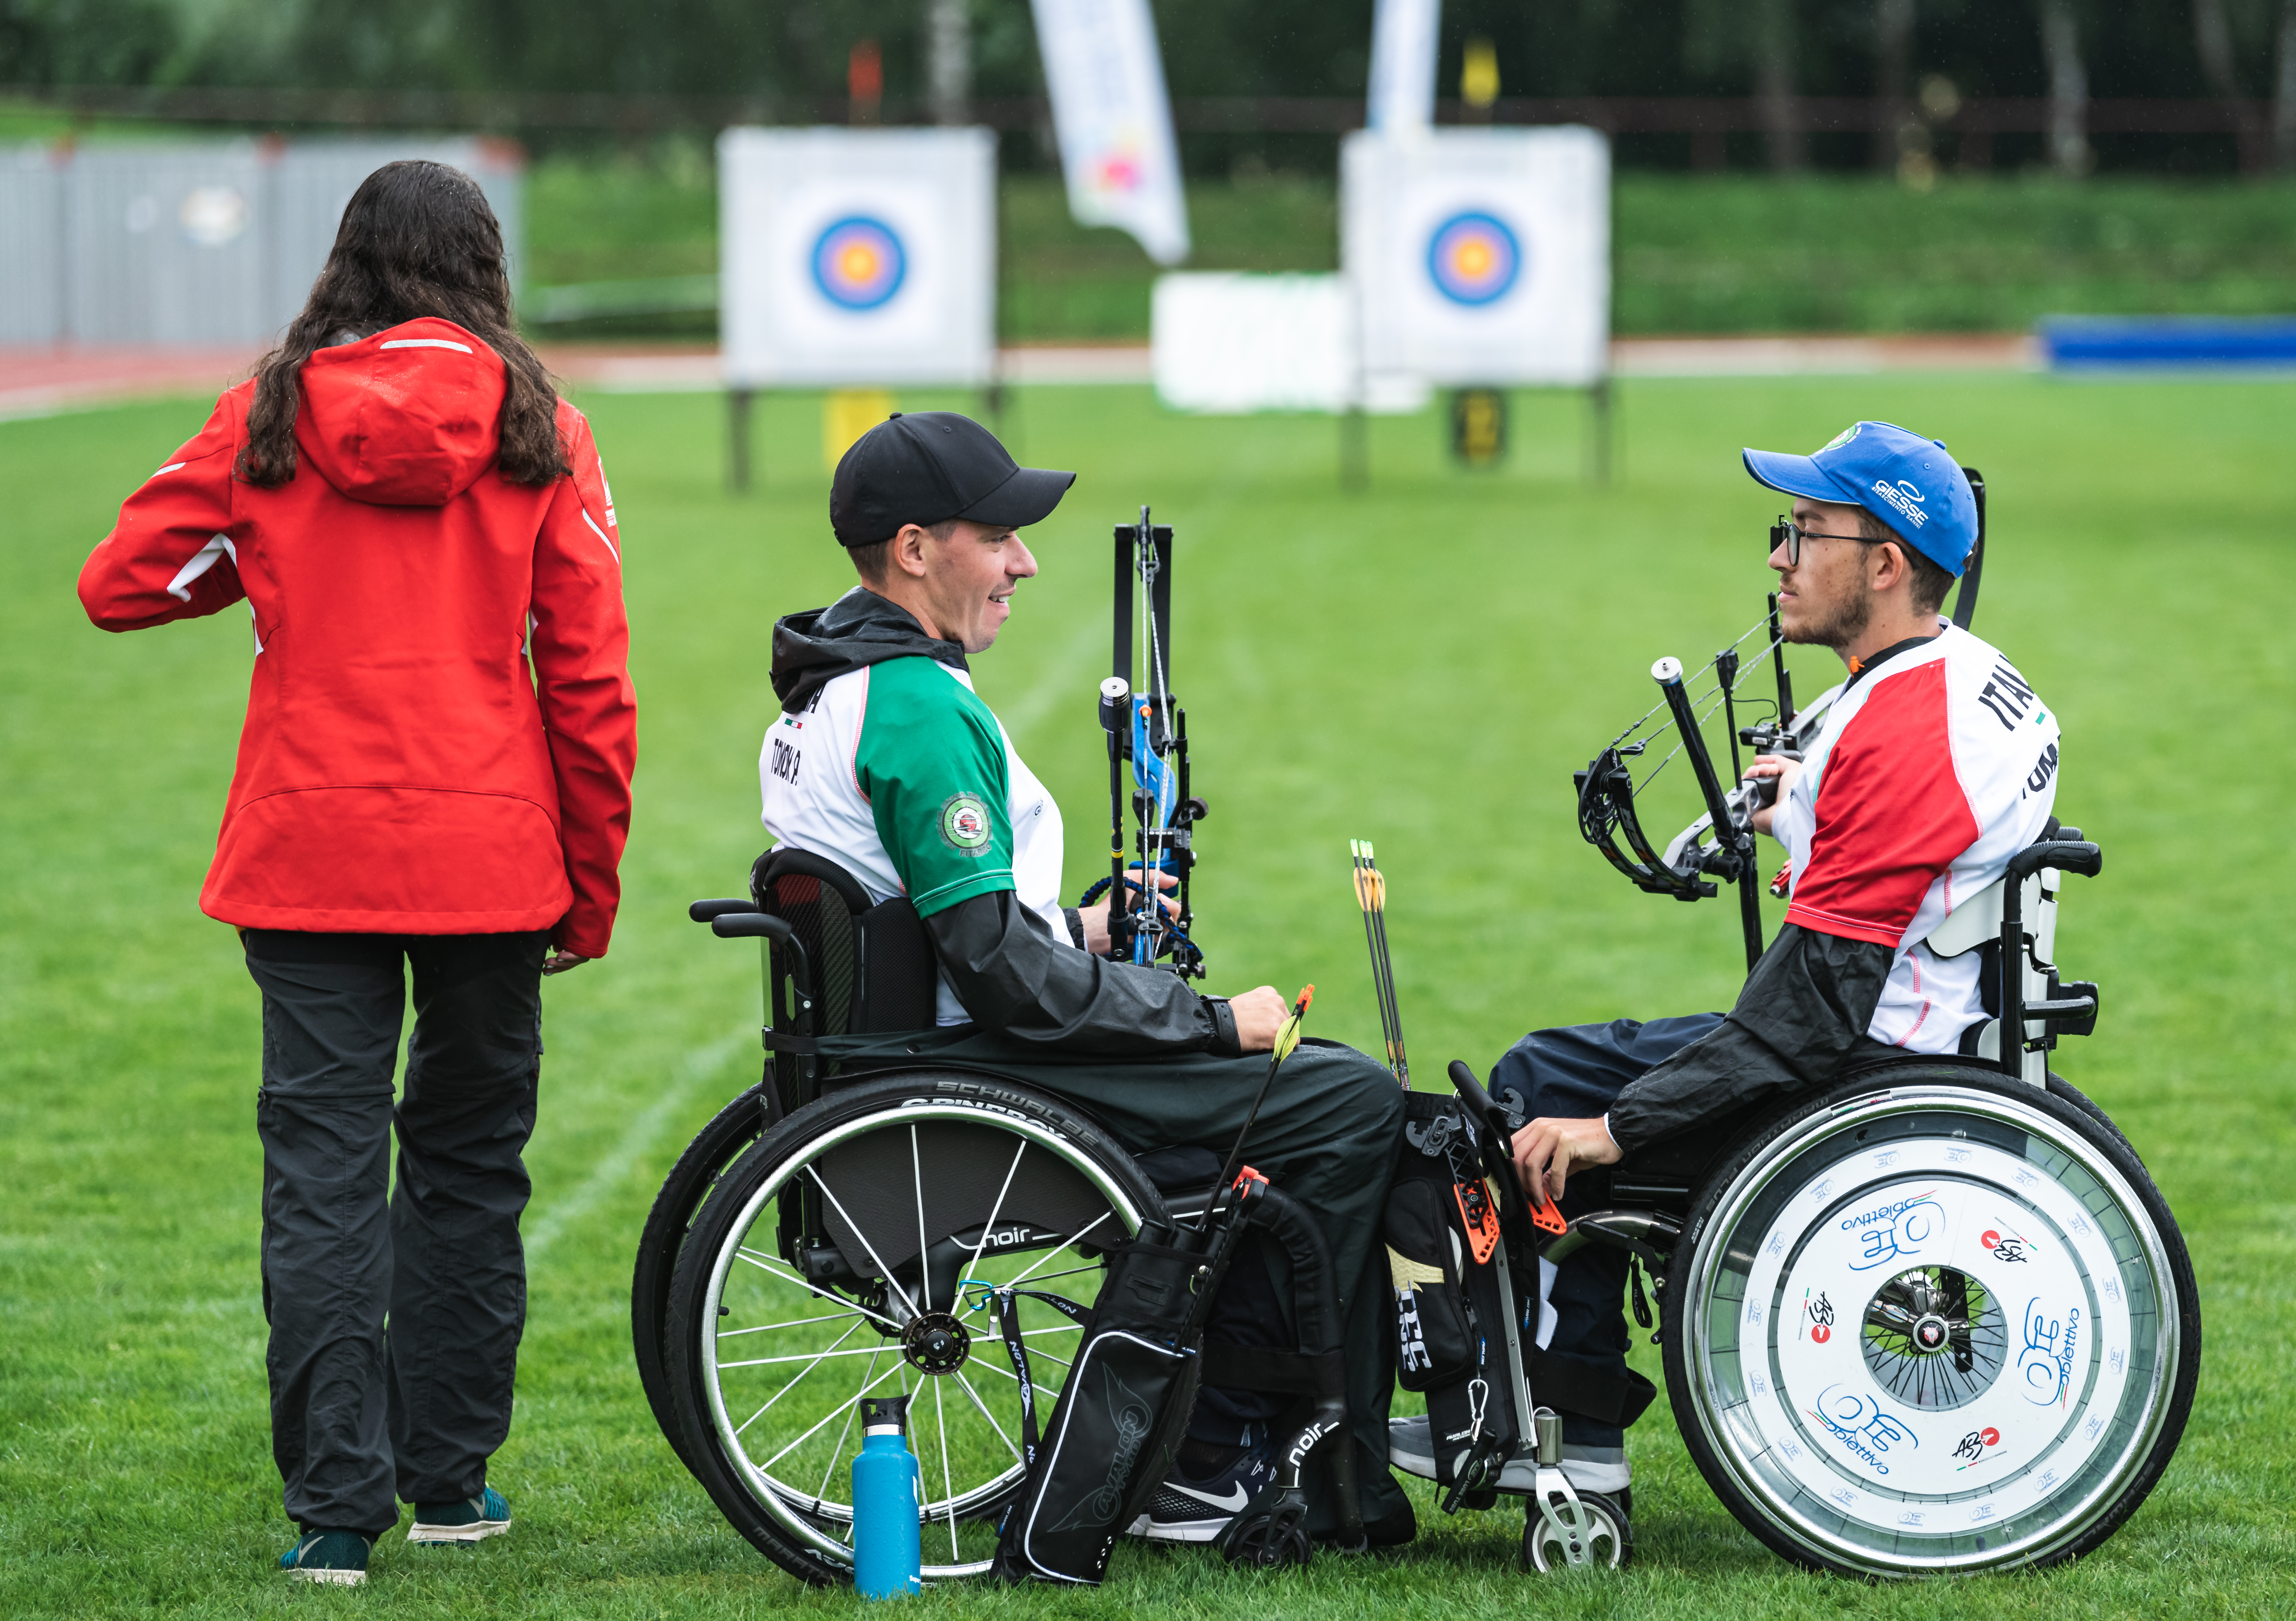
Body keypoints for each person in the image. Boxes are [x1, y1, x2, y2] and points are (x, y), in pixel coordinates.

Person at [75, 161, 637, 1587]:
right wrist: (594, 878)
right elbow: (589, 682)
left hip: (309, 846)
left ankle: (336, 1509)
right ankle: (448, 1482)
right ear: (483, 269)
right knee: (466, 1168)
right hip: (491, 852)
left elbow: (124, 580)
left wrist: (253, 565)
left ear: (348, 265)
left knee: (322, 1177)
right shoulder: (541, 427)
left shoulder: (268, 413)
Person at [758, 409, 1411, 1546]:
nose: (1025, 561)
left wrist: (1085, 927)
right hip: (979, 1069)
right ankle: (1223, 1455)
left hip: (930, 1049)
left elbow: (940, 918)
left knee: (1306, 1098)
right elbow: (1006, 978)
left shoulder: (831, 689)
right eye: (999, 535)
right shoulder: (912, 703)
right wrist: (1209, 1021)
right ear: (915, 551)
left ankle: (1232, 1433)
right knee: (1344, 1101)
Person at [1391, 422, 2060, 1494]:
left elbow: (1802, 1024)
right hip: (1909, 1028)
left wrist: (1615, 1132)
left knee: (1539, 1095)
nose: (1779, 558)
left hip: (1866, 1071)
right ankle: (1554, 1403)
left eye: (1806, 533)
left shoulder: (1907, 738)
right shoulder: (1954, 675)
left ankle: (1567, 1428)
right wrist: (1801, 802)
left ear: (1887, 565)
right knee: (1552, 1065)